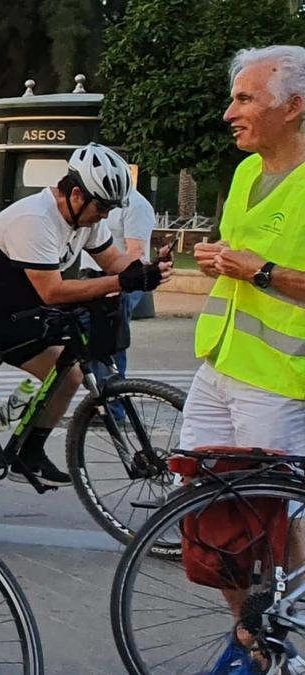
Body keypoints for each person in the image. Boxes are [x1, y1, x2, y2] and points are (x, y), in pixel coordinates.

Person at [0, 143, 171, 535]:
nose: (103, 216)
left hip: (9, 315)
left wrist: (147, 270)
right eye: (101, 208)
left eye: (109, 210)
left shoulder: (87, 217)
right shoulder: (33, 219)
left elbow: (114, 262)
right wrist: (120, 282)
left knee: (69, 374)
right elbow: (53, 292)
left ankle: (30, 452)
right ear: (76, 194)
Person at [183, 46, 305, 649]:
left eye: (245, 98)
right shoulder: (243, 175)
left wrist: (262, 272)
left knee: (274, 521)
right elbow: (240, 266)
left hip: (279, 381)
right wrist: (221, 265)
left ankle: (286, 633)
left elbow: (265, 273)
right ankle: (251, 631)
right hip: (219, 365)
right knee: (207, 510)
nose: (229, 112)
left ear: (293, 106)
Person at [79, 188, 157, 413]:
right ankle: (101, 401)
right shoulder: (93, 201)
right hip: (93, 276)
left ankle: (114, 409)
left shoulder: (136, 205)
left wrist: (118, 285)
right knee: (87, 342)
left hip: (120, 280)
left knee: (110, 342)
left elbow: (136, 251)